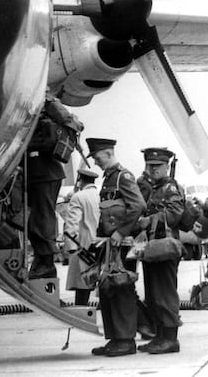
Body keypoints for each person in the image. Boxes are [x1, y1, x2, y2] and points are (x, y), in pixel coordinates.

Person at [87, 137, 147, 357]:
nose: (95, 162)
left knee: (121, 288)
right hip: (109, 244)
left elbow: (138, 205)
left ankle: (126, 340)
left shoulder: (123, 176)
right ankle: (115, 338)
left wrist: (121, 232)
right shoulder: (109, 178)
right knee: (108, 289)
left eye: (97, 157)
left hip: (123, 244)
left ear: (108, 153)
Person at [26, 95, 83, 279]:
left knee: (42, 218)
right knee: (36, 219)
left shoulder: (47, 102)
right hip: (38, 173)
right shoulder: (33, 103)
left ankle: (47, 263)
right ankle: (41, 258)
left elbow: (72, 123)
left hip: (46, 173)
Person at [135, 147, 186, 354]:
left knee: (165, 294)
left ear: (167, 166)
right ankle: (159, 336)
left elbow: (174, 215)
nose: (153, 169)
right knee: (153, 294)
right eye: (150, 165)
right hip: (152, 249)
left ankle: (171, 339)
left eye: (157, 166)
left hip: (165, 249)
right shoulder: (154, 188)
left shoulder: (171, 188)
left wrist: (149, 220)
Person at [63, 168, 101, 306]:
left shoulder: (78, 197)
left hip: (83, 246)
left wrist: (70, 248)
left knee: (82, 284)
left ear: (80, 180)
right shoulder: (100, 195)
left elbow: (72, 224)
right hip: (100, 245)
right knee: (97, 281)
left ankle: (81, 312)